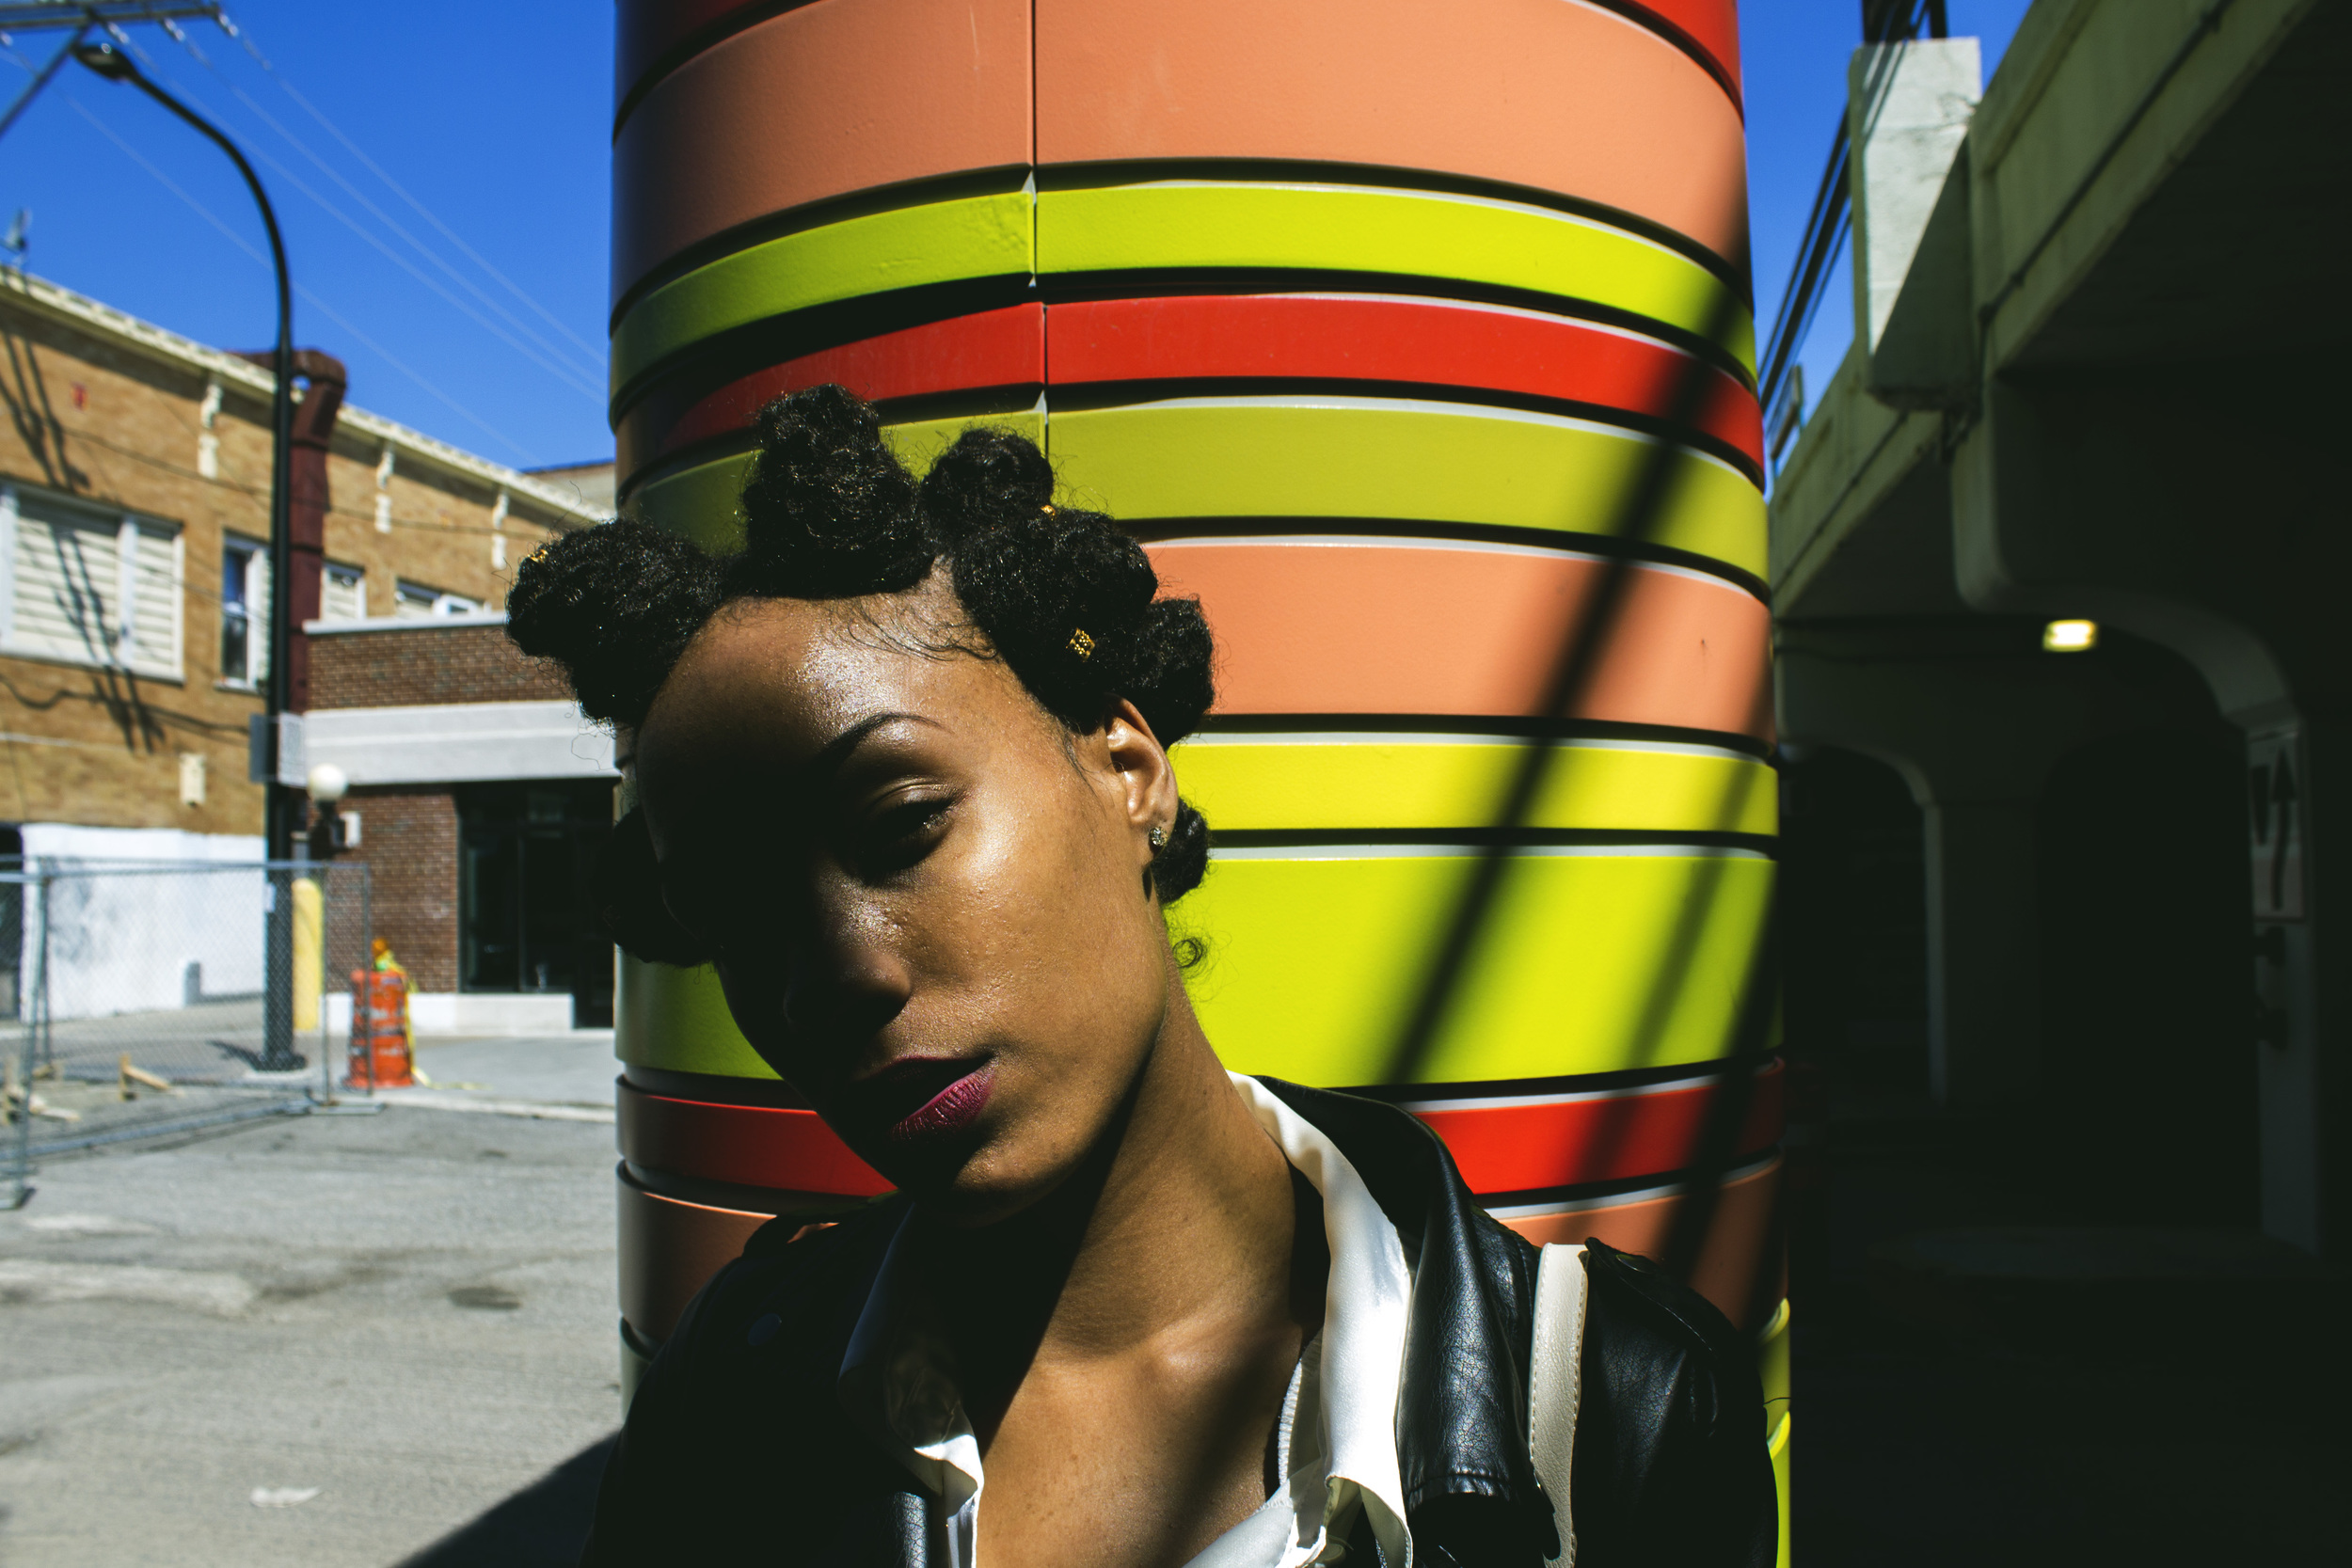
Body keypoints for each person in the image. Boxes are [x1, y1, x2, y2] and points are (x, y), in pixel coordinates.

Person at [509, 386, 1774, 1566]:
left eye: (900, 827)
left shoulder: (1618, 1409)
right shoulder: (734, 1399)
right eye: (734, 917)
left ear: (1128, 769)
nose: (830, 977)